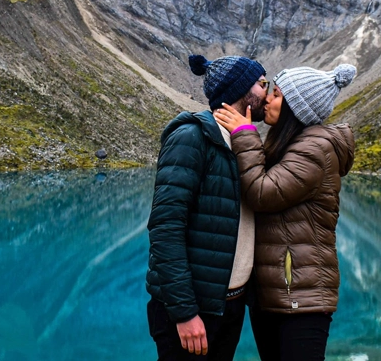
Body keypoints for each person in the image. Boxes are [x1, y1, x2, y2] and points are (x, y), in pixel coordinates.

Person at [213, 64, 357, 361]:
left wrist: (244, 135)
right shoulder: (292, 145)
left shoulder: (315, 149)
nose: (266, 99)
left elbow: (262, 193)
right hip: (277, 294)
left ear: (295, 108)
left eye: (276, 95)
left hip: (301, 300)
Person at [146, 54, 269, 361]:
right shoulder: (192, 137)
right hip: (194, 310)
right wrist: (184, 313)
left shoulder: (245, 143)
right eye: (262, 83)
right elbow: (165, 228)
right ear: (242, 90)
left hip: (230, 304)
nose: (267, 92)